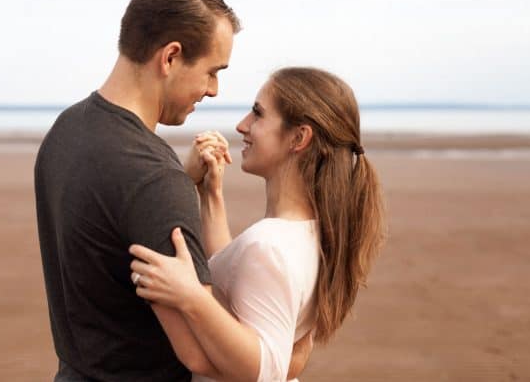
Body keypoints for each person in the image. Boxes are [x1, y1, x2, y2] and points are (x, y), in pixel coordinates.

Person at [34, 0, 241, 381]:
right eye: (212, 71)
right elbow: (202, 354)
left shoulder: (66, 131)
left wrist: (182, 181)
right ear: (170, 57)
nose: (214, 89)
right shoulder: (152, 178)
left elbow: (112, 230)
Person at [129, 67, 387, 381]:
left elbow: (263, 370)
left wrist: (190, 294)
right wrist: (211, 194)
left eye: (257, 113)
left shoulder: (270, 245)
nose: (242, 125)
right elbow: (241, 287)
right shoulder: (314, 233)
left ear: (298, 137)